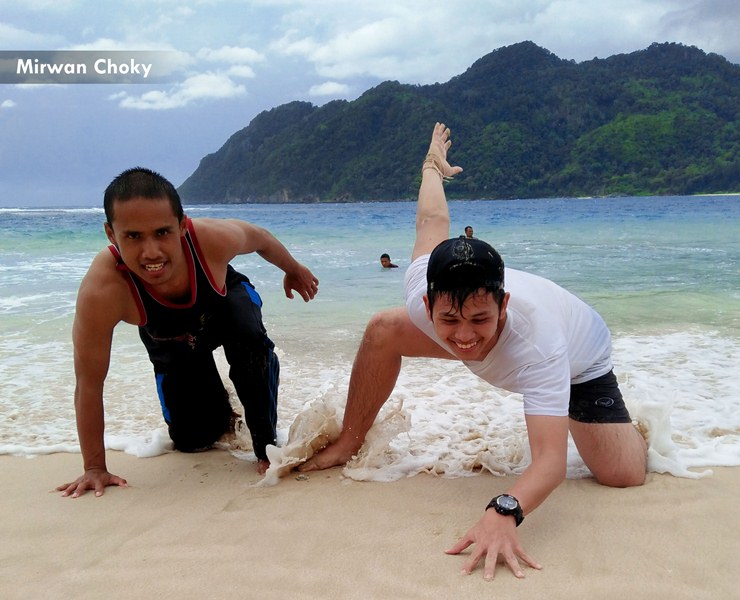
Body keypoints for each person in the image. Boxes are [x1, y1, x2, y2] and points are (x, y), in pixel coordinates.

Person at [300, 123, 647, 580]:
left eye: (480, 318)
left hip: (581, 361)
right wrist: (431, 167)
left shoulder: (539, 343)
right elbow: (431, 222)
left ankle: (630, 431)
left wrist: (504, 510)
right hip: (505, 339)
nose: (463, 337)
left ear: (503, 304)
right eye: (449, 320)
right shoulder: (422, 292)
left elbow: (550, 464)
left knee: (623, 475)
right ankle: (350, 439)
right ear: (428, 305)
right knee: (383, 329)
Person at [57, 167, 319, 498]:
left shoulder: (210, 239)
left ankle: (264, 440)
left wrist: (293, 270)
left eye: (162, 232)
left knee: (249, 341)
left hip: (224, 303)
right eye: (133, 236)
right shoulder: (103, 290)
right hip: (169, 335)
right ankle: (220, 408)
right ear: (111, 234)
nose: (151, 251)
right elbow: (89, 383)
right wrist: (94, 467)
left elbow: (260, 238)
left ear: (182, 225)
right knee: (195, 440)